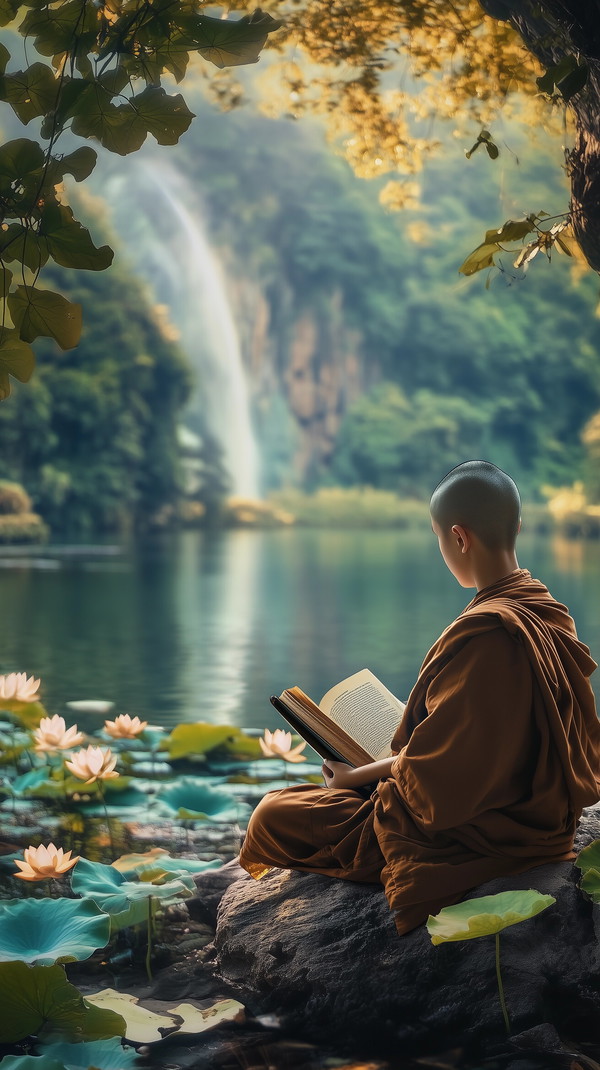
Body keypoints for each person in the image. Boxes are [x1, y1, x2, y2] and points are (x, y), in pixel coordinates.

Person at [238, 461, 600, 935]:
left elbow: (441, 778)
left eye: (438, 539)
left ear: (458, 537)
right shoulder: (545, 611)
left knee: (272, 813)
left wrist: (354, 777)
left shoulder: (490, 634)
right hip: (536, 815)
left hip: (478, 832)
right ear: (517, 527)